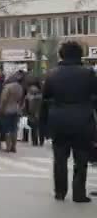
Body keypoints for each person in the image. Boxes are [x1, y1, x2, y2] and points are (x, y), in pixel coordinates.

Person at [42, 41, 97, 203]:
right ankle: (79, 194)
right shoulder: (88, 74)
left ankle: (60, 192)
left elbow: (45, 101)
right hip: (83, 121)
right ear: (80, 55)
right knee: (81, 158)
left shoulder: (52, 74)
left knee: (59, 158)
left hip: (58, 121)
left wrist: (43, 125)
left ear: (61, 55)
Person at [0, 71, 25, 153]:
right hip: (16, 110)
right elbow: (21, 100)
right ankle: (14, 146)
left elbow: (4, 99)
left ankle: (8, 147)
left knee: (7, 129)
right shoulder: (20, 87)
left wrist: (0, 109)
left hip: (7, 110)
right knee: (14, 129)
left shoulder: (7, 87)